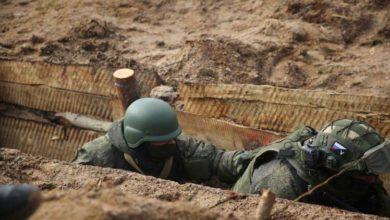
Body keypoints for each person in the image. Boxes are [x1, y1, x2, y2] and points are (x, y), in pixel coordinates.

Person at [232, 119, 390, 217]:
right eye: (366, 175)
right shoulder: (283, 186)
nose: (372, 179)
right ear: (333, 167)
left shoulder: (357, 179)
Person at [73, 98, 252, 184]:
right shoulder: (97, 157)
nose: (172, 144)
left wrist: (244, 161)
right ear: (139, 141)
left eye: (171, 138)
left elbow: (216, 160)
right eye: (163, 142)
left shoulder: (179, 145)